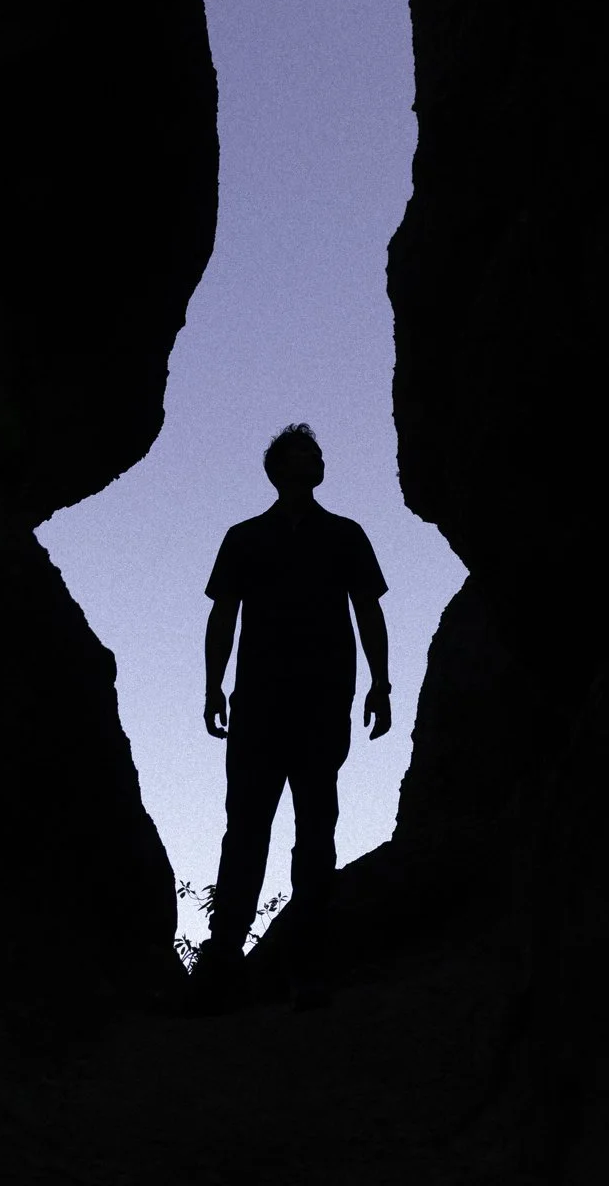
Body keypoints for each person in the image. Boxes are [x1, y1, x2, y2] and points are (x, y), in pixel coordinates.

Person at [188, 423, 391, 1013]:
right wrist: (212, 686)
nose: (316, 458)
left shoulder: (345, 535)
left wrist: (381, 682)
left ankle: (307, 967)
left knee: (315, 833)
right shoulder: (245, 538)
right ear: (278, 469)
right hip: (258, 704)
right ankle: (223, 966)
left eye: (318, 452)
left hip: (323, 703)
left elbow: (368, 613)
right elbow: (222, 615)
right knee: (246, 832)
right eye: (305, 452)